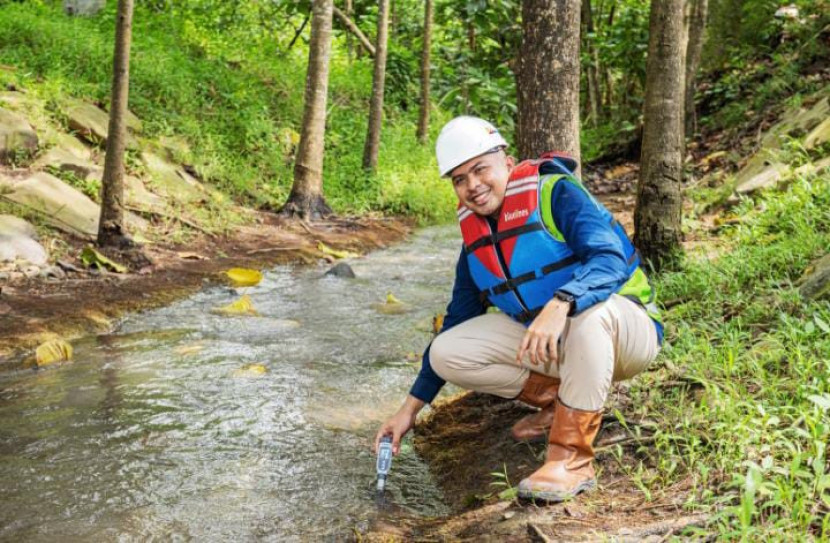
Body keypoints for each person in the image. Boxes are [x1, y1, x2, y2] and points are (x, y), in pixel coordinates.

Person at [373, 116, 663, 502]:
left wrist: (562, 302)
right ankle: (561, 402)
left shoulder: (557, 194)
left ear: (506, 163)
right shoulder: (475, 239)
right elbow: (458, 320)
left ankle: (570, 460)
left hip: (625, 331)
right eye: (459, 179)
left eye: (480, 170)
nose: (472, 186)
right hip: (561, 347)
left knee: (588, 315)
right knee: (447, 350)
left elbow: (609, 258)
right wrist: (408, 409)